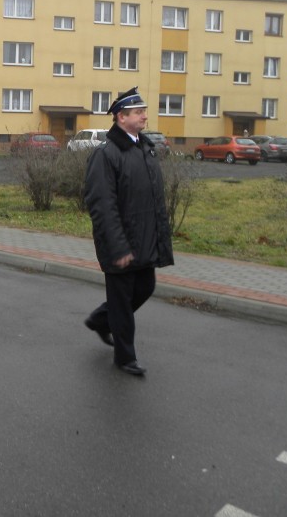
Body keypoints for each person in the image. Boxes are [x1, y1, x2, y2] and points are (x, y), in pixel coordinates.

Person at [83, 87, 173, 376]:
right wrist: (119, 247)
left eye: (144, 111)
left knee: (145, 287)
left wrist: (159, 238)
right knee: (122, 302)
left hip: (144, 240)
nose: (145, 116)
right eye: (138, 112)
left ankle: (100, 319)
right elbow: (102, 205)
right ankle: (125, 357)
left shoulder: (144, 148)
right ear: (121, 117)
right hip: (119, 243)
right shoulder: (106, 154)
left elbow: (152, 199)